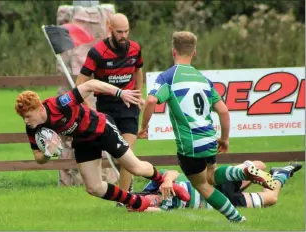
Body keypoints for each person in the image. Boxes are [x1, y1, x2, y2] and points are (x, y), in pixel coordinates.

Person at [138, 31, 277, 222]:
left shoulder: (167, 77)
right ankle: (243, 171)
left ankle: (236, 219)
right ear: (194, 53)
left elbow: (152, 99)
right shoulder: (203, 79)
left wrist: (144, 126)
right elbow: (224, 111)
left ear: (173, 51)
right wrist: (225, 139)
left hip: (190, 144)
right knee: (211, 176)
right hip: (210, 138)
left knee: (203, 186)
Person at [15, 79, 189, 212]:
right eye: (23, 117)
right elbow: (39, 158)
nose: (26, 121)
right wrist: (48, 151)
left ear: (39, 109)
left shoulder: (60, 104)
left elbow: (91, 84)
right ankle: (139, 203)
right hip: (83, 140)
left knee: (135, 167)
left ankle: (166, 180)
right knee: (94, 188)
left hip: (101, 128)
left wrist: (121, 93)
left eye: (28, 116)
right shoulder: (34, 128)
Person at [76, 13, 144, 195]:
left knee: (127, 153)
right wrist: (88, 107)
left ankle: (125, 198)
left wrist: (139, 94)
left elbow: (138, 71)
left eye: (127, 31)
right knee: (117, 154)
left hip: (129, 107)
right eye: (120, 32)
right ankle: (126, 191)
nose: (124, 36)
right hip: (106, 107)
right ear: (109, 29)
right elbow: (80, 83)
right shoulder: (97, 52)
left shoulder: (135, 49)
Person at [133, 161, 302, 212]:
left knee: (259, 165)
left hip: (211, 183)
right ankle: (282, 173)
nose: (153, 202)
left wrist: (167, 181)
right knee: (271, 198)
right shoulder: (160, 209)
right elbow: (147, 209)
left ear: (143, 193)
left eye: (148, 199)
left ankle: (245, 174)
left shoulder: (153, 184)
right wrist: (137, 206)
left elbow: (172, 172)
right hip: (220, 201)